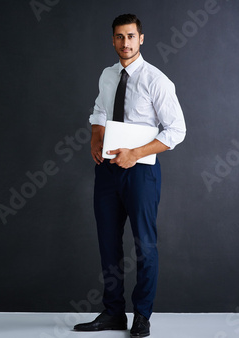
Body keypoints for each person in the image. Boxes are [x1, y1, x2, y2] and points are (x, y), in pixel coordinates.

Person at [73, 14, 186, 337]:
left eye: (131, 37)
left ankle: (142, 316)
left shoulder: (156, 80)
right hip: (108, 172)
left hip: (141, 174)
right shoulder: (108, 76)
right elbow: (99, 112)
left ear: (142, 39)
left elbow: (177, 130)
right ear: (113, 40)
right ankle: (112, 313)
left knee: (145, 245)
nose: (126, 43)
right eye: (120, 37)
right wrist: (96, 139)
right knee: (108, 244)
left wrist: (135, 153)